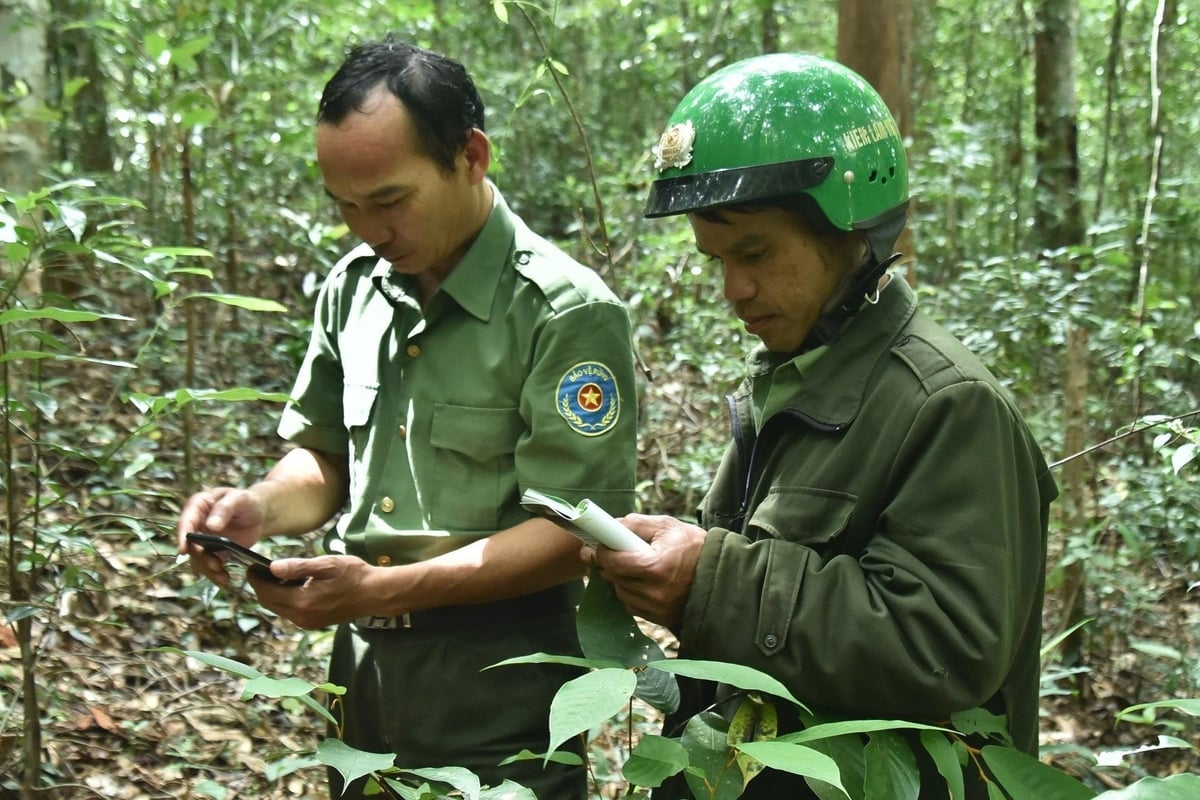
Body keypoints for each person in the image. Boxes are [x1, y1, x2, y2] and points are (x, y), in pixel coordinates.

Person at [176, 37, 637, 799]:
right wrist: (255, 510)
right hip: (361, 679)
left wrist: (382, 589)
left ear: (471, 156)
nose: (368, 230)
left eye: (389, 201)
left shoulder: (565, 313)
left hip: (505, 681)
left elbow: (574, 533)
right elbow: (324, 458)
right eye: (346, 207)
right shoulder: (354, 288)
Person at [591, 53, 1057, 798]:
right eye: (717, 260)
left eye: (756, 253)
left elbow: (946, 646)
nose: (734, 290)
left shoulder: (946, 404)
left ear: (850, 234)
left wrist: (707, 579)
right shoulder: (795, 375)